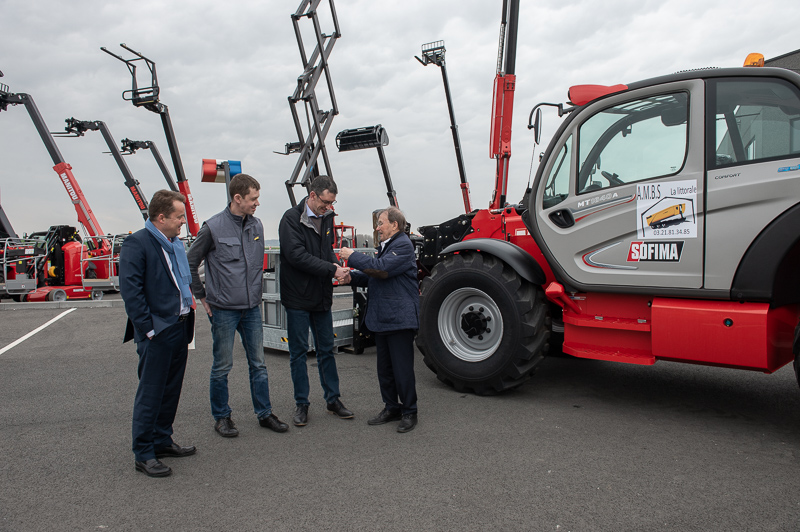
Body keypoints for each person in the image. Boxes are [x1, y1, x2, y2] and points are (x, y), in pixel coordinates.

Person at [187, 174, 288, 438]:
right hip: (223, 310)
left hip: (251, 309)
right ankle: (222, 417)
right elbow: (190, 262)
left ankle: (264, 413)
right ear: (238, 198)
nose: (257, 204)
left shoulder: (256, 226)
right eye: (253, 199)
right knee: (222, 366)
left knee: (259, 364)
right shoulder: (213, 227)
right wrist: (202, 296)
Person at [120, 190, 196, 477]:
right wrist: (149, 329)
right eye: (178, 217)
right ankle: (143, 452)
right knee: (151, 393)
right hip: (158, 331)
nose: (182, 223)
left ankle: (162, 440)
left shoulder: (174, 244)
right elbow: (131, 291)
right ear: (161, 217)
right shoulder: (137, 243)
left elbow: (180, 282)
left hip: (180, 325)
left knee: (171, 389)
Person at [278, 175, 354, 426]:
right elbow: (296, 256)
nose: (328, 207)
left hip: (321, 296)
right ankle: (302, 403)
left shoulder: (328, 218)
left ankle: (333, 400)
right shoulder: (291, 219)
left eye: (332, 203)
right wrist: (331, 269)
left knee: (326, 350)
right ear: (312, 195)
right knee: (298, 352)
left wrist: (338, 267)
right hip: (298, 297)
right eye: (325, 202)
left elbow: (323, 253)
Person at [340, 206, 419, 433]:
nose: (377, 228)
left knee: (402, 369)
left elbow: (381, 269)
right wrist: (350, 279)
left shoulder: (403, 244)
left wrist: (352, 256)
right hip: (384, 317)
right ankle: (391, 407)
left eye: (381, 223)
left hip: (399, 319)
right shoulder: (387, 246)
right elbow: (374, 276)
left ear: (395, 225)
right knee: (384, 369)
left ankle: (409, 411)